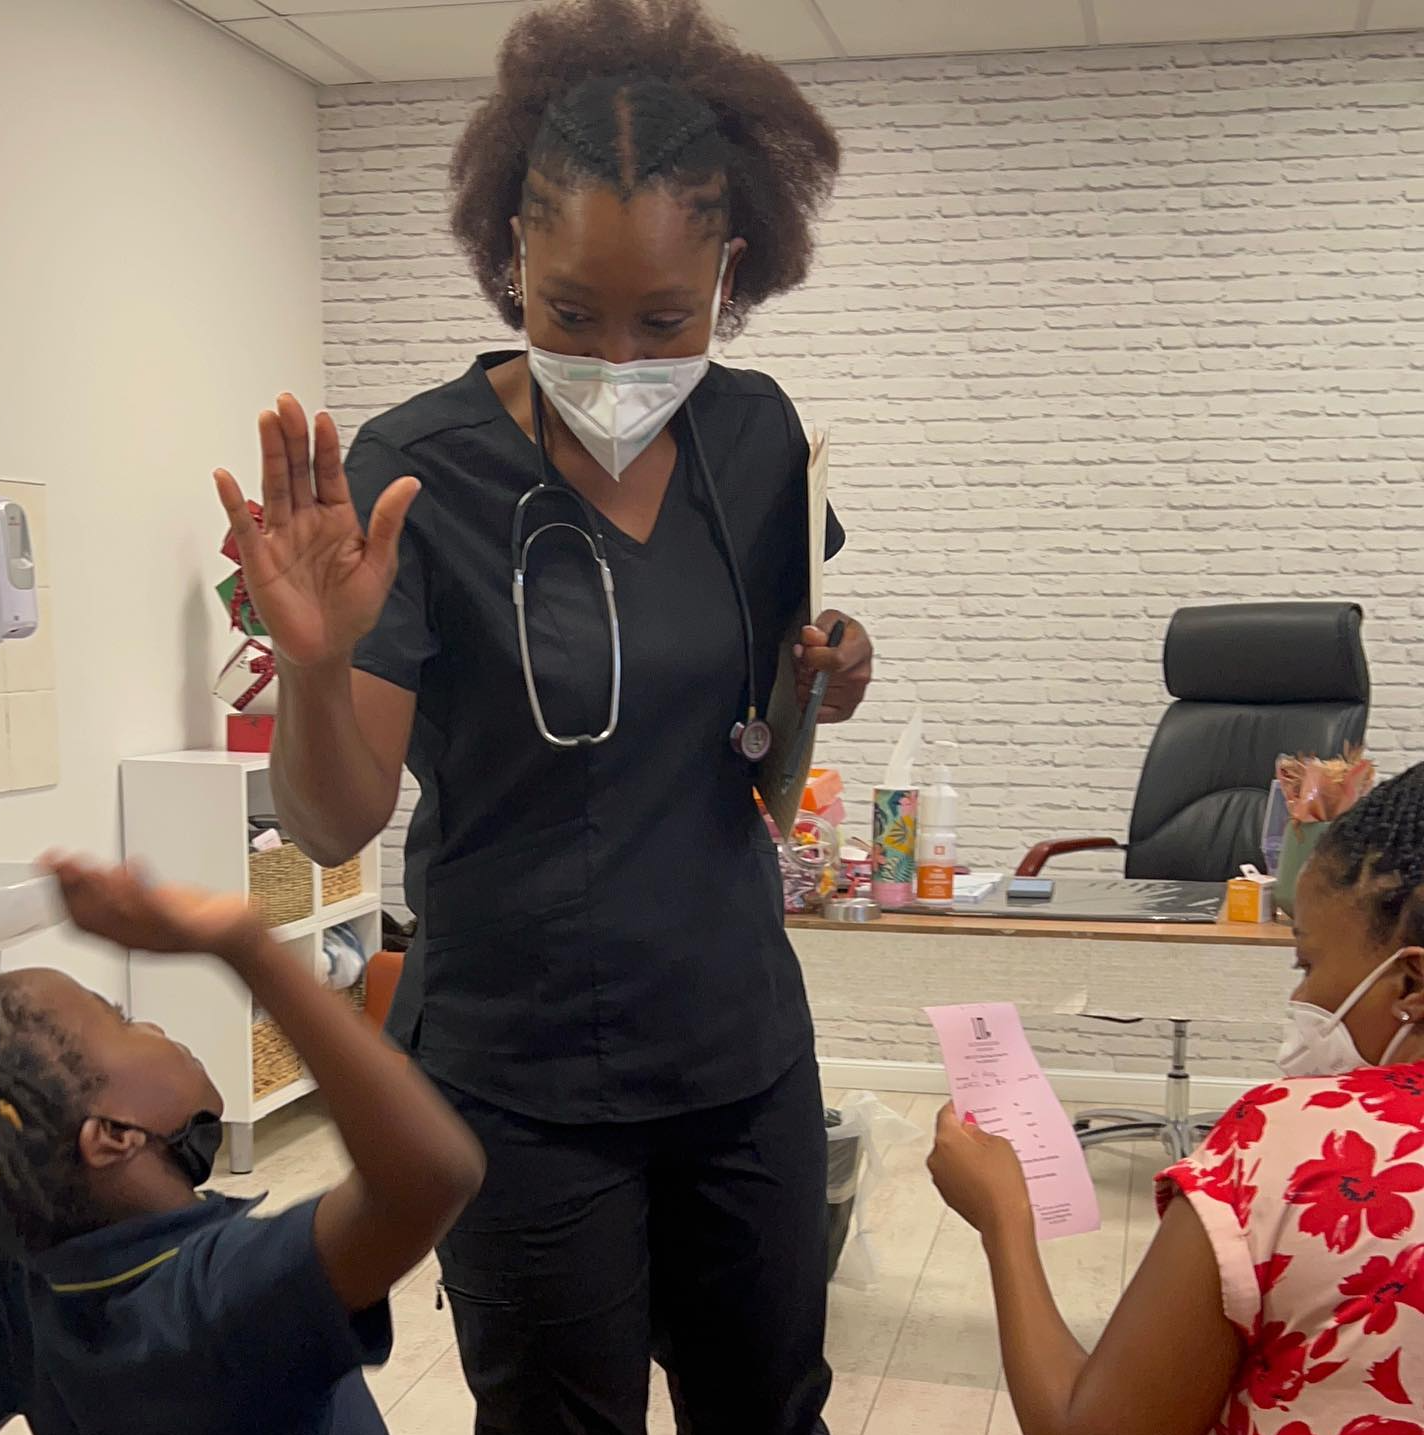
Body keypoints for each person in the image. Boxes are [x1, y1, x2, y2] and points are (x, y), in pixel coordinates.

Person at [210, 1, 871, 1431]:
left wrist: (822, 678)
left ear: (732, 275)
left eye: (666, 319)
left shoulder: (759, 439)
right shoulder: (411, 472)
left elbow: (763, 729)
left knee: (774, 1404)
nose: (621, 360)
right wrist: (316, 663)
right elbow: (333, 816)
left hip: (739, 1043)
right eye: (572, 310)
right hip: (522, 1073)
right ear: (511, 248)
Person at [927, 761, 1424, 1435]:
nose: (1300, 999)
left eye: (1306, 963)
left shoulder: (1290, 1143)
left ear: (1411, 982)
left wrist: (1004, 1217)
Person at [0, 856, 485, 1435]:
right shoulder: (217, 1301)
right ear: (114, 1136)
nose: (150, 1026)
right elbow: (430, 1179)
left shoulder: (19, 1296)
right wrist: (248, 947)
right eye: (120, 1021)